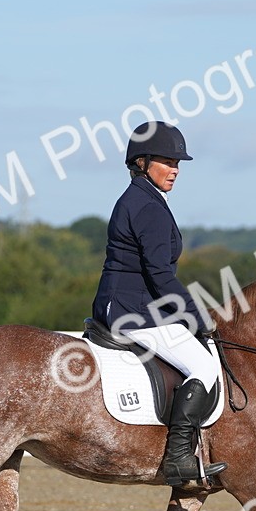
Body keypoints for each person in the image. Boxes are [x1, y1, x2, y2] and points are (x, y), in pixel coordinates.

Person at [90, 121, 227, 486]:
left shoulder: (143, 199)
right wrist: (197, 316)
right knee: (204, 367)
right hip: (133, 311)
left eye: (178, 163)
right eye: (167, 162)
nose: (175, 169)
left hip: (132, 304)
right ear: (141, 162)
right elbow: (161, 276)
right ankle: (179, 458)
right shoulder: (146, 205)